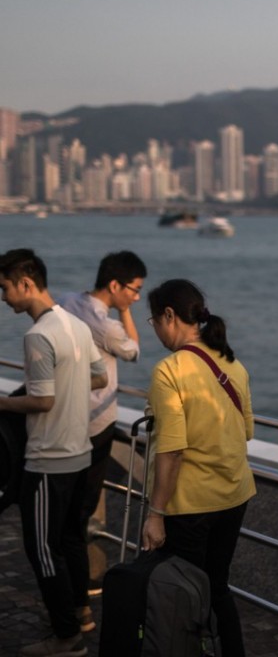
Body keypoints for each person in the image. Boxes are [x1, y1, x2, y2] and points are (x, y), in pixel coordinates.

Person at [141, 279, 256, 657]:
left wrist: (155, 514)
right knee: (217, 588)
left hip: (190, 506)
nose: (155, 330)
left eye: (154, 321)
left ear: (170, 316)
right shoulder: (231, 363)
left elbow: (171, 451)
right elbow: (248, 430)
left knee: (184, 593)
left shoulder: (169, 370)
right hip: (234, 495)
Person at [0, 248, 106, 657]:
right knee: (69, 540)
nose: (5, 298)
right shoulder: (75, 324)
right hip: (79, 451)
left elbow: (42, 402)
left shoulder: (38, 335)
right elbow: (96, 376)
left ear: (26, 283)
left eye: (6, 288)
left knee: (42, 549)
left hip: (48, 458)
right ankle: (80, 613)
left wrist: (5, 403)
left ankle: (66, 637)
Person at [57, 252, 146, 565]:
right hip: (96, 422)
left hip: (63, 415)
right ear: (115, 285)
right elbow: (133, 351)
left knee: (64, 497)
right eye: (134, 289)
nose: (135, 297)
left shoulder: (66, 301)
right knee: (85, 502)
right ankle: (79, 571)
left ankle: (64, 560)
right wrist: (124, 314)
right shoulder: (106, 327)